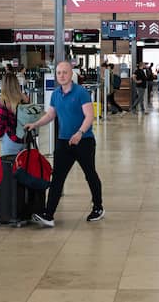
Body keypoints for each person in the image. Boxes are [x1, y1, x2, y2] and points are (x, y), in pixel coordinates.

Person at [27, 61, 104, 226]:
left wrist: (80, 133)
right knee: (58, 178)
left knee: (90, 174)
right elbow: (50, 115)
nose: (61, 76)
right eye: (59, 73)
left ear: (71, 74)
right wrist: (35, 124)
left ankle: (98, 207)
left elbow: (89, 116)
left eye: (64, 72)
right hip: (63, 142)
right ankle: (49, 215)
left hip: (84, 141)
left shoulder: (81, 93)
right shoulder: (55, 94)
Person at [0, 73, 30, 156]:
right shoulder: (25, 98)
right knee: (23, 166)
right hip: (25, 138)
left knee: (9, 166)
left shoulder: (4, 100)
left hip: (11, 139)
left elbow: (0, 121)